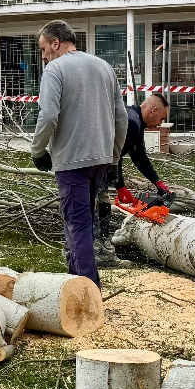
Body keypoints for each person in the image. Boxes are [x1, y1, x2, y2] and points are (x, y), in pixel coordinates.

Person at [30, 20, 126, 285]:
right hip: (102, 158)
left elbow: (48, 115)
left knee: (78, 224)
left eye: (43, 48)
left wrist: (38, 151)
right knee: (83, 222)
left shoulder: (55, 70)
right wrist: (115, 157)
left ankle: (87, 291)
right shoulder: (104, 67)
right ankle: (74, 280)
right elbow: (121, 118)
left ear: (55, 43)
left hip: (71, 160)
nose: (43, 56)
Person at [94, 93, 173, 265]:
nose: (160, 123)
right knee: (100, 208)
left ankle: (95, 252)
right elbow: (116, 154)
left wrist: (158, 183)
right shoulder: (131, 123)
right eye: (161, 118)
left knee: (99, 206)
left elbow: (140, 157)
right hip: (95, 164)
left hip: (99, 164)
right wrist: (121, 186)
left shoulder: (136, 121)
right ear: (153, 110)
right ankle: (99, 255)